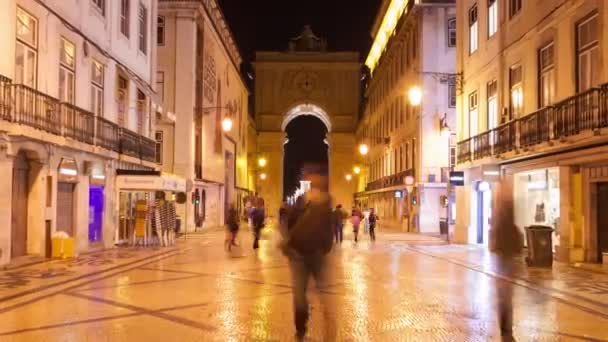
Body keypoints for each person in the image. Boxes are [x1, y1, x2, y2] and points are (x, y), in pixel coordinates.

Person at [285, 164, 335, 340]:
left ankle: (330, 328)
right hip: (298, 254)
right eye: (309, 177)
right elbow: (289, 222)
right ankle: (301, 327)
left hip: (317, 255)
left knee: (324, 293)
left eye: (315, 177)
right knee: (299, 295)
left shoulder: (326, 202)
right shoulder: (301, 201)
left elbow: (329, 227)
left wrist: (325, 247)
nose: (312, 181)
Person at [492, 182, 523, 340]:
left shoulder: (504, 211)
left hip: (506, 259)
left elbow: (497, 240)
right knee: (505, 299)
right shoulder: (504, 212)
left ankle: (506, 331)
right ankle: (506, 332)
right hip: (504, 259)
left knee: (505, 299)